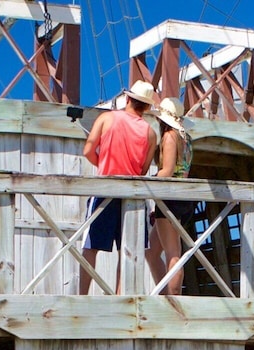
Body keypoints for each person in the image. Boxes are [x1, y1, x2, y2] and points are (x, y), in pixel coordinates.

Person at [80, 80, 159, 294]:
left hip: (106, 187)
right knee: (128, 249)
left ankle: (82, 295)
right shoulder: (151, 133)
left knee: (91, 246)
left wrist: (104, 164)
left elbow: (88, 150)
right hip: (132, 193)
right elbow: (143, 169)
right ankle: (118, 295)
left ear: (128, 98)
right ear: (147, 106)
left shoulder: (106, 118)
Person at [147, 98, 195, 295]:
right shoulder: (186, 138)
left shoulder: (169, 136)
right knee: (151, 252)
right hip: (181, 197)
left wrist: (148, 180)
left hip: (169, 197)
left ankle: (173, 297)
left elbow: (166, 171)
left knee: (172, 253)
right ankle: (165, 292)